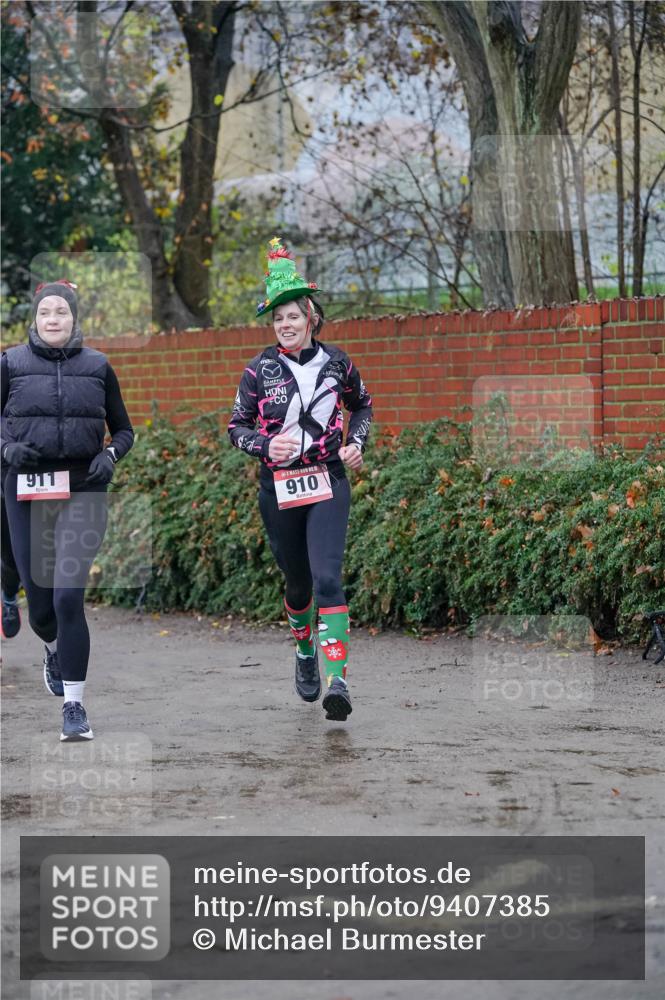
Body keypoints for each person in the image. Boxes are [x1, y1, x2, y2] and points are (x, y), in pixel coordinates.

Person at [228, 238, 373, 722]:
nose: (285, 325)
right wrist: (265, 446)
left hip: (329, 480)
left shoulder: (338, 363)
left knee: (329, 578)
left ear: (311, 316)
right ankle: (305, 648)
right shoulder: (258, 370)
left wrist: (358, 443)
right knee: (298, 585)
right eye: (277, 318)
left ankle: (339, 681)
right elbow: (235, 428)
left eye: (292, 316)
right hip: (280, 488)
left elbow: (363, 405)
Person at [0, 279, 134, 741]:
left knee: (67, 597)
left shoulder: (97, 366)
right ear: (34, 320)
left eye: (61, 312)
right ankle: (52, 646)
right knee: (41, 609)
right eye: (45, 312)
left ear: (75, 319)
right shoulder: (10, 364)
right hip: (27, 491)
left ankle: (74, 707)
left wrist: (109, 456)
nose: (53, 319)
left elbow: (124, 430)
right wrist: (7, 449)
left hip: (83, 489)